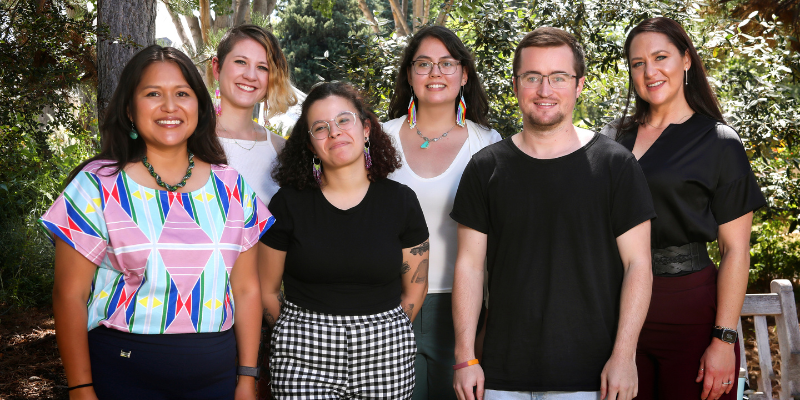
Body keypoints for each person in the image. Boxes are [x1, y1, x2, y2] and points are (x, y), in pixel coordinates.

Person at [40, 45, 273, 400]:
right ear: (130, 110)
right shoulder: (97, 185)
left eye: (182, 93)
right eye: (153, 94)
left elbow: (246, 290)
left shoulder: (233, 187)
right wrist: (80, 388)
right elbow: (69, 295)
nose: (169, 106)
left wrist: (246, 378)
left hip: (218, 381)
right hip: (120, 377)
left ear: (199, 105)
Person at [451, 27, 656, 400]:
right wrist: (465, 357)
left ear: (578, 85)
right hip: (499, 374)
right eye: (533, 77)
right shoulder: (485, 168)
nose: (545, 90)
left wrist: (625, 356)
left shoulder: (616, 165)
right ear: (516, 84)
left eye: (558, 77)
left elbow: (638, 265)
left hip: (591, 376)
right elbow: (468, 266)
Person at [600, 17, 766, 400]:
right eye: (638, 63)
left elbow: (736, 250)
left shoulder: (719, 143)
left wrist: (724, 339)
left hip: (689, 310)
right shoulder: (612, 139)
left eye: (661, 57)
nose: (650, 71)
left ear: (686, 60)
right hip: (613, 311)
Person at [258, 81, 430, 399]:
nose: (334, 132)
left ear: (365, 129)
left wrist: (388, 329)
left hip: (386, 352)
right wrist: (295, 332)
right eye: (320, 128)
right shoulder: (287, 204)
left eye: (343, 120)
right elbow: (266, 289)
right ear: (310, 145)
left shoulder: (401, 201)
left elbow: (417, 284)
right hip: (302, 353)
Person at [384, 25, 501, 400]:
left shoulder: (488, 144)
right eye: (423, 64)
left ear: (464, 74)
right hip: (386, 304)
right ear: (409, 75)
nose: (435, 73)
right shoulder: (377, 139)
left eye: (447, 63)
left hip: (461, 307)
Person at [212, 24, 297, 206]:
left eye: (262, 67)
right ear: (217, 67)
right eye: (241, 62)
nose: (251, 76)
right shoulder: (188, 137)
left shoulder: (282, 150)